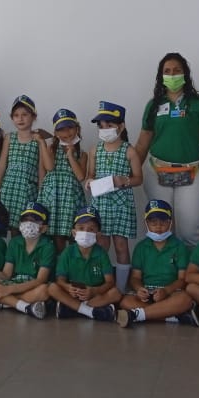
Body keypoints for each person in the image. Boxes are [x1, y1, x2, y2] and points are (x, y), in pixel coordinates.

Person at [134, 53, 199, 248]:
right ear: (161, 76)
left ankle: (190, 267)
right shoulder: (153, 106)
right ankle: (165, 266)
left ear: (185, 74)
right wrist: (129, 174)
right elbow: (142, 145)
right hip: (157, 173)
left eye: (177, 70)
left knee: (189, 229)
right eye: (167, 71)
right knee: (161, 228)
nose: (172, 75)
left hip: (191, 173)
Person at [85, 101, 142, 292]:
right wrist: (89, 181)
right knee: (101, 244)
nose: (105, 129)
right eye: (101, 126)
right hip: (100, 203)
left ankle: (121, 288)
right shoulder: (95, 150)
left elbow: (138, 178)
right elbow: (90, 174)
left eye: (109, 125)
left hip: (121, 204)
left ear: (121, 126)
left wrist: (124, 180)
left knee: (121, 245)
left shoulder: (129, 150)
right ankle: (101, 285)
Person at [115, 200, 195, 328]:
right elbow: (135, 278)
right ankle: (172, 317)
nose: (158, 227)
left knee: (185, 299)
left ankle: (138, 315)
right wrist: (139, 289)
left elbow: (182, 279)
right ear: (146, 223)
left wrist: (166, 291)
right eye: (153, 223)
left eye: (163, 222)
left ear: (170, 223)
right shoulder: (141, 247)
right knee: (125, 301)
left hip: (171, 292)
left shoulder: (179, 247)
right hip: (148, 294)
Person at [0, 202, 55, 319]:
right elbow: (6, 274)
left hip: (32, 286)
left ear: (43, 228)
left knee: (44, 291)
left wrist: (9, 290)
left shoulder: (48, 246)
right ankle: (26, 307)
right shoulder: (14, 242)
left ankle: (3, 303)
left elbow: (40, 280)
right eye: (24, 219)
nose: (28, 223)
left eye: (33, 220)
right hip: (15, 282)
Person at [48, 205, 121, 321]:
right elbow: (60, 280)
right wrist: (68, 287)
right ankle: (91, 311)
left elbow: (110, 282)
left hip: (94, 296)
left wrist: (94, 291)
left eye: (91, 229)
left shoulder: (101, 253)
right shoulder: (68, 252)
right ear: (74, 233)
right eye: (81, 228)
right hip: (73, 295)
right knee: (52, 288)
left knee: (116, 293)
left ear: (98, 235)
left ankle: (73, 309)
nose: (86, 232)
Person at [0, 95, 53, 227]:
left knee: (25, 226)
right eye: (16, 115)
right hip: (8, 189)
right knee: (7, 226)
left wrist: (40, 195)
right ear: (12, 118)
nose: (20, 119)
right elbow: (2, 165)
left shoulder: (38, 140)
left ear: (33, 116)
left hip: (28, 192)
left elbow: (41, 170)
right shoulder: (9, 138)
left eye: (24, 114)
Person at [38, 108, 88, 254]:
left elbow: (80, 176)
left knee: (72, 233)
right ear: (55, 133)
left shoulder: (82, 154)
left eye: (70, 127)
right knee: (55, 235)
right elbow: (49, 167)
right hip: (53, 196)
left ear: (77, 129)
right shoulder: (51, 148)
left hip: (71, 197)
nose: (66, 132)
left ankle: (69, 264)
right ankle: (56, 265)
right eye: (61, 129)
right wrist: (42, 143)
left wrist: (71, 155)